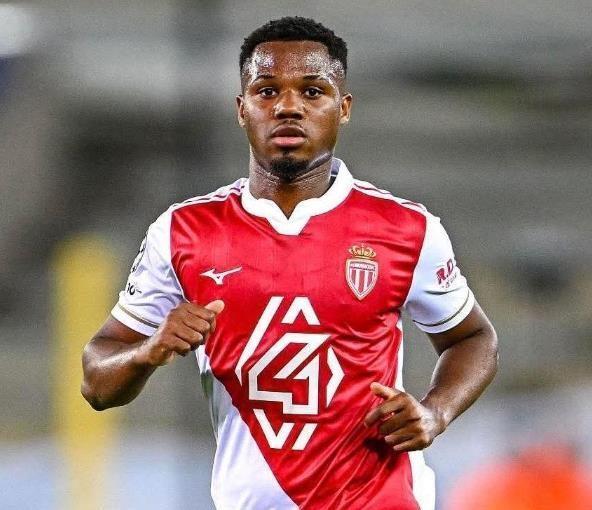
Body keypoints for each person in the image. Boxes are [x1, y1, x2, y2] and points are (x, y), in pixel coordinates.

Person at [81, 16, 498, 510]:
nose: (288, 107)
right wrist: (147, 351)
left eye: (312, 91)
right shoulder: (183, 232)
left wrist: (435, 412)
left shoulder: (407, 229)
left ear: (344, 108)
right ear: (241, 109)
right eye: (266, 91)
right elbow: (96, 383)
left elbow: (473, 338)